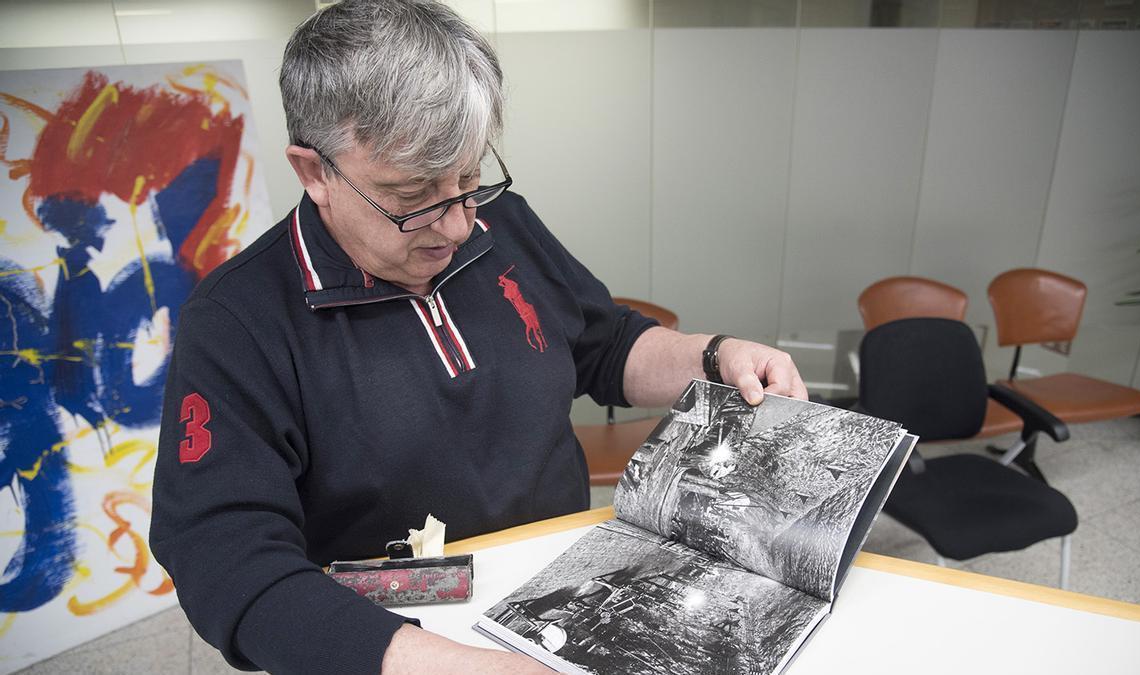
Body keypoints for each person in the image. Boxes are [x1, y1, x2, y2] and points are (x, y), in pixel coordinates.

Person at [149, 1, 807, 673]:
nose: (459, 224)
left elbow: (607, 346)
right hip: (394, 642)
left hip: (561, 596)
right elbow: (226, 558)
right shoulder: (236, 321)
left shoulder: (503, 225)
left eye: (468, 178)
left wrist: (715, 356)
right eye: (413, 196)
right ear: (316, 172)